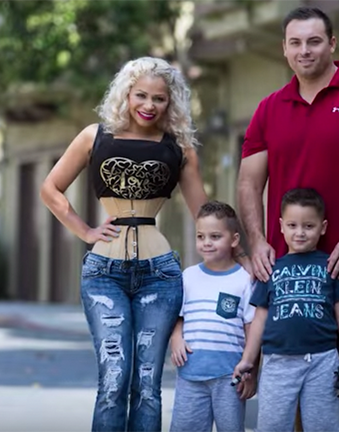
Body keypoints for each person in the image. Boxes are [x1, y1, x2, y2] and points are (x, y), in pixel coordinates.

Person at [40, 56, 247, 432]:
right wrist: (85, 231)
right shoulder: (94, 136)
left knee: (149, 383)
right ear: (126, 94)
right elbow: (50, 188)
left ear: (172, 103)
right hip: (104, 273)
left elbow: (205, 213)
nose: (149, 106)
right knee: (114, 380)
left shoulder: (180, 149)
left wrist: (241, 254)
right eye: (141, 96)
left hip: (160, 275)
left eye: (159, 99)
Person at [236, 6, 339, 432]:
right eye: (295, 42)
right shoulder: (270, 108)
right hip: (288, 266)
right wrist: (257, 241)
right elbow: (248, 182)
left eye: (314, 41)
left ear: (332, 44)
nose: (304, 51)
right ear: (284, 49)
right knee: (292, 368)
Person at [233, 188, 339, 432]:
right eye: (292, 225)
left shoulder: (331, 265)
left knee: (322, 426)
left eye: (308, 226)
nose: (300, 232)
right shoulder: (270, 268)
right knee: (272, 426)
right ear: (281, 226)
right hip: (277, 362)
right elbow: (260, 317)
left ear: (322, 227)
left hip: (322, 361)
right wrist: (248, 359)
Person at [168, 200, 258, 432]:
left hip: (230, 375)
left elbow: (252, 326)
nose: (206, 243)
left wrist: (252, 370)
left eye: (215, 237)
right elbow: (177, 316)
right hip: (191, 372)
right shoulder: (187, 277)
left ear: (234, 240)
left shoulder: (245, 279)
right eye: (201, 236)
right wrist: (176, 338)